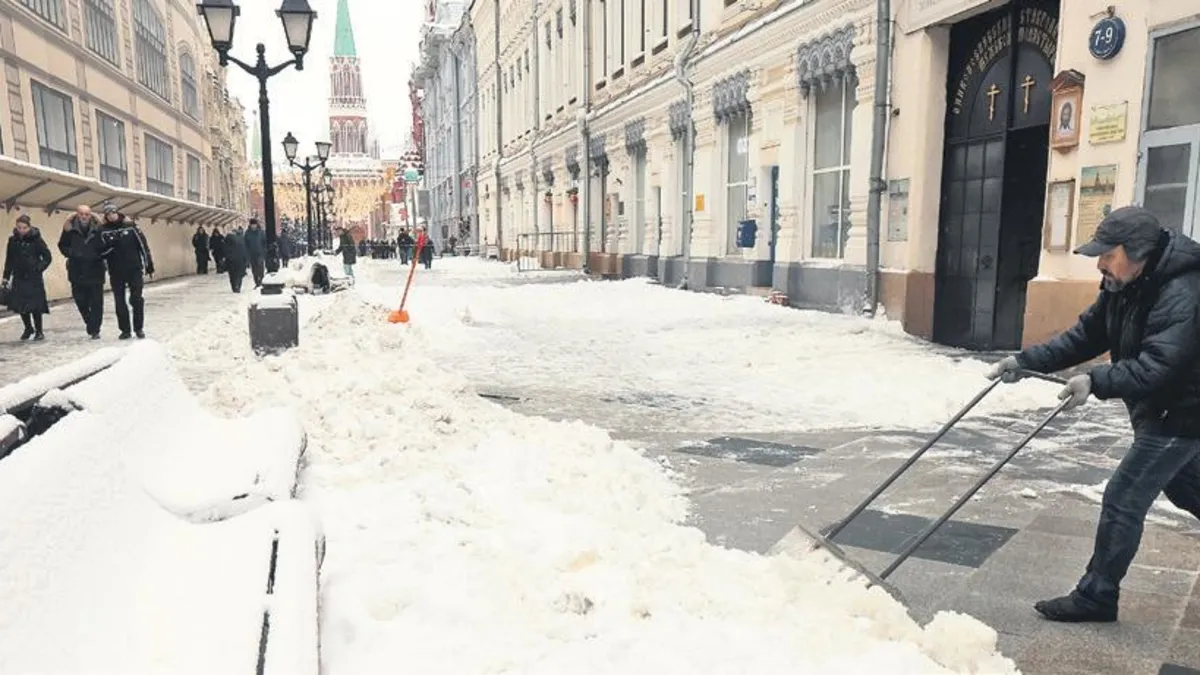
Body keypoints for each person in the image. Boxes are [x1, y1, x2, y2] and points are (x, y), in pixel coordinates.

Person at [986, 206, 1200, 623]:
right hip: (1162, 408)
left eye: (1107, 253)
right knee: (1184, 487)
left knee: (1124, 496)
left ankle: (1096, 596)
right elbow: (1086, 335)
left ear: (1136, 251)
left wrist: (1096, 382)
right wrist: (1026, 361)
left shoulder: (1183, 291)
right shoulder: (1125, 284)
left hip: (1183, 411)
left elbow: (1159, 364)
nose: (1100, 263)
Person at [99, 202, 154, 340]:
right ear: (105, 215)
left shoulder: (130, 226)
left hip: (134, 268)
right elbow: (100, 251)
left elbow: (142, 245)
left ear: (117, 212)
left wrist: (148, 264)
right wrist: (112, 245)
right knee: (119, 301)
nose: (111, 215)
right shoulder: (103, 231)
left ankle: (139, 328)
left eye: (113, 212)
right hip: (116, 271)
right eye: (108, 214)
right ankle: (125, 330)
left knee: (136, 299)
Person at [58, 205, 109, 339]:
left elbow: (106, 245)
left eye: (87, 214)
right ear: (77, 215)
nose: (84, 217)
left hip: (95, 270)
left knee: (97, 302)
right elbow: (62, 245)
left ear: (91, 215)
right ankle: (89, 322)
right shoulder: (70, 230)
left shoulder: (99, 229)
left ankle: (95, 329)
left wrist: (99, 255)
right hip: (77, 271)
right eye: (82, 214)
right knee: (80, 300)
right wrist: (72, 253)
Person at [3, 213, 52, 341]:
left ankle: (39, 331)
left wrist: (39, 268)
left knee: (35, 304)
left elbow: (47, 256)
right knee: (21, 304)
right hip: (19, 275)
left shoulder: (36, 239)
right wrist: (6, 277)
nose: (22, 230)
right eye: (19, 227)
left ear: (29, 227)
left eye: (24, 228)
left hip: (33, 276)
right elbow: (9, 259)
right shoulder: (13, 240)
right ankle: (28, 327)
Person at [224, 225, 249, 293]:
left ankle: (234, 286)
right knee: (239, 274)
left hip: (231, 260)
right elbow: (245, 250)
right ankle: (237, 286)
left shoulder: (228, 238)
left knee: (232, 275)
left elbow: (225, 249)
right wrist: (246, 260)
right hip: (240, 260)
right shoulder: (242, 239)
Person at [245, 217, 266, 288]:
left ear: (257, 225)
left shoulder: (261, 232)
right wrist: (247, 255)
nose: (253, 226)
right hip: (252, 254)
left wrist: (264, 251)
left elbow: (264, 242)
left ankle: (261, 281)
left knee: (260, 268)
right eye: (252, 224)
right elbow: (246, 244)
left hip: (260, 253)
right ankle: (257, 283)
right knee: (254, 270)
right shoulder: (247, 233)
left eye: (254, 224)